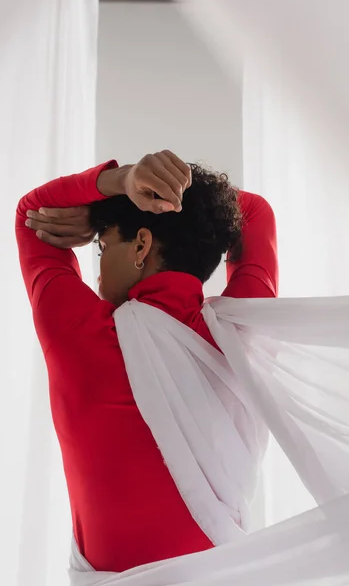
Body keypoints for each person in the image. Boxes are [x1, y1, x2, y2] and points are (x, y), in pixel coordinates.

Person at [16, 150, 278, 574]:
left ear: (141, 245)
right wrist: (177, 200)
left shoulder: (81, 336)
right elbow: (256, 212)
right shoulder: (242, 335)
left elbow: (32, 213)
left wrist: (117, 184)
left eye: (103, 246)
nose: (98, 271)